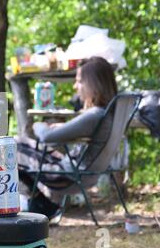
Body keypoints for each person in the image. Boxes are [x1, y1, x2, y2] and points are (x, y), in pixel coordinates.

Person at [16, 56, 118, 221]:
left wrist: (39, 126)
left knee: (9, 149)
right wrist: (61, 129)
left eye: (79, 81)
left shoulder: (95, 115)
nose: (75, 86)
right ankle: (43, 204)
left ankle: (41, 205)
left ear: (93, 84)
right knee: (18, 144)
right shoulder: (108, 113)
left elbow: (47, 137)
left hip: (68, 176)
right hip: (80, 171)